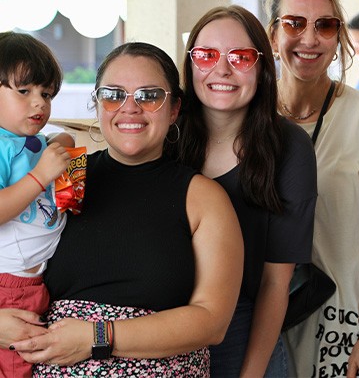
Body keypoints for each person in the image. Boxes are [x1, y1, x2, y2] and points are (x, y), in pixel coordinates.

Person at [10, 42, 244, 377]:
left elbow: (212, 321)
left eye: (149, 96)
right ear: (97, 104)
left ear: (174, 108)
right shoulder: (62, 177)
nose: (129, 108)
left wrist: (97, 337)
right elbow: (11, 260)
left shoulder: (203, 197)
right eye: (113, 94)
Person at [266, 0, 359, 378]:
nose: (309, 38)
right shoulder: (249, 118)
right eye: (294, 23)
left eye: (324, 26)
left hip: (344, 323)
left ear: (338, 39)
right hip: (260, 322)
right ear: (273, 35)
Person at [172, 5, 317, 377]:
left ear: (263, 68)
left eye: (241, 57)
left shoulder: (289, 147)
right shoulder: (165, 137)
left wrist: (251, 373)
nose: (222, 69)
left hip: (246, 331)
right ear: (189, 64)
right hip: (166, 328)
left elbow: (275, 282)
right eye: (206, 55)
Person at [0, 31, 74, 378]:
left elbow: (62, 138)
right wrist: (40, 176)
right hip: (8, 286)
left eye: (46, 93)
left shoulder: (30, 141)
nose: (39, 103)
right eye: (24, 91)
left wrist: (61, 143)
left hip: (37, 281)